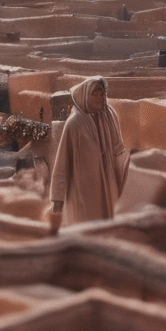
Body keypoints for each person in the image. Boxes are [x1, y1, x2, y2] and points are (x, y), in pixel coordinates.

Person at [48, 77, 128, 233]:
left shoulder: (109, 116)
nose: (100, 98)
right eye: (95, 94)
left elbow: (119, 151)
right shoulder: (74, 124)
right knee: (86, 230)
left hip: (108, 185)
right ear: (84, 96)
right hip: (83, 191)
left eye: (102, 94)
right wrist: (57, 202)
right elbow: (62, 164)